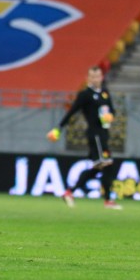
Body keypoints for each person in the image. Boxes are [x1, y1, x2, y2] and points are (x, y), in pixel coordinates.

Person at [47, 66, 122, 210]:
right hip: (95, 134)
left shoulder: (105, 93)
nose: (95, 79)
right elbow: (72, 111)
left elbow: (112, 110)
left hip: (104, 133)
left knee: (98, 167)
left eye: (98, 76)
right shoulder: (85, 94)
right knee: (108, 165)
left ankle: (70, 192)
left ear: (102, 77)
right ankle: (108, 201)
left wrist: (110, 116)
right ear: (88, 78)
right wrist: (58, 128)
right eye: (92, 77)